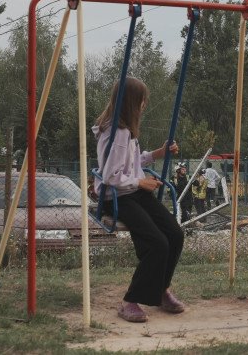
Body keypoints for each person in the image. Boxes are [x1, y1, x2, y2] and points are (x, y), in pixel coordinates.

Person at [92, 76, 185, 323]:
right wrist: (141, 182)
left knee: (175, 235)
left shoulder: (126, 131)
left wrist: (157, 154)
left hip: (133, 192)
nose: (145, 104)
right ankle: (129, 301)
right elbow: (111, 177)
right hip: (117, 197)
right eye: (143, 100)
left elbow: (131, 163)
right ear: (133, 102)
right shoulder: (117, 133)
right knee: (157, 243)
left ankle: (160, 290)